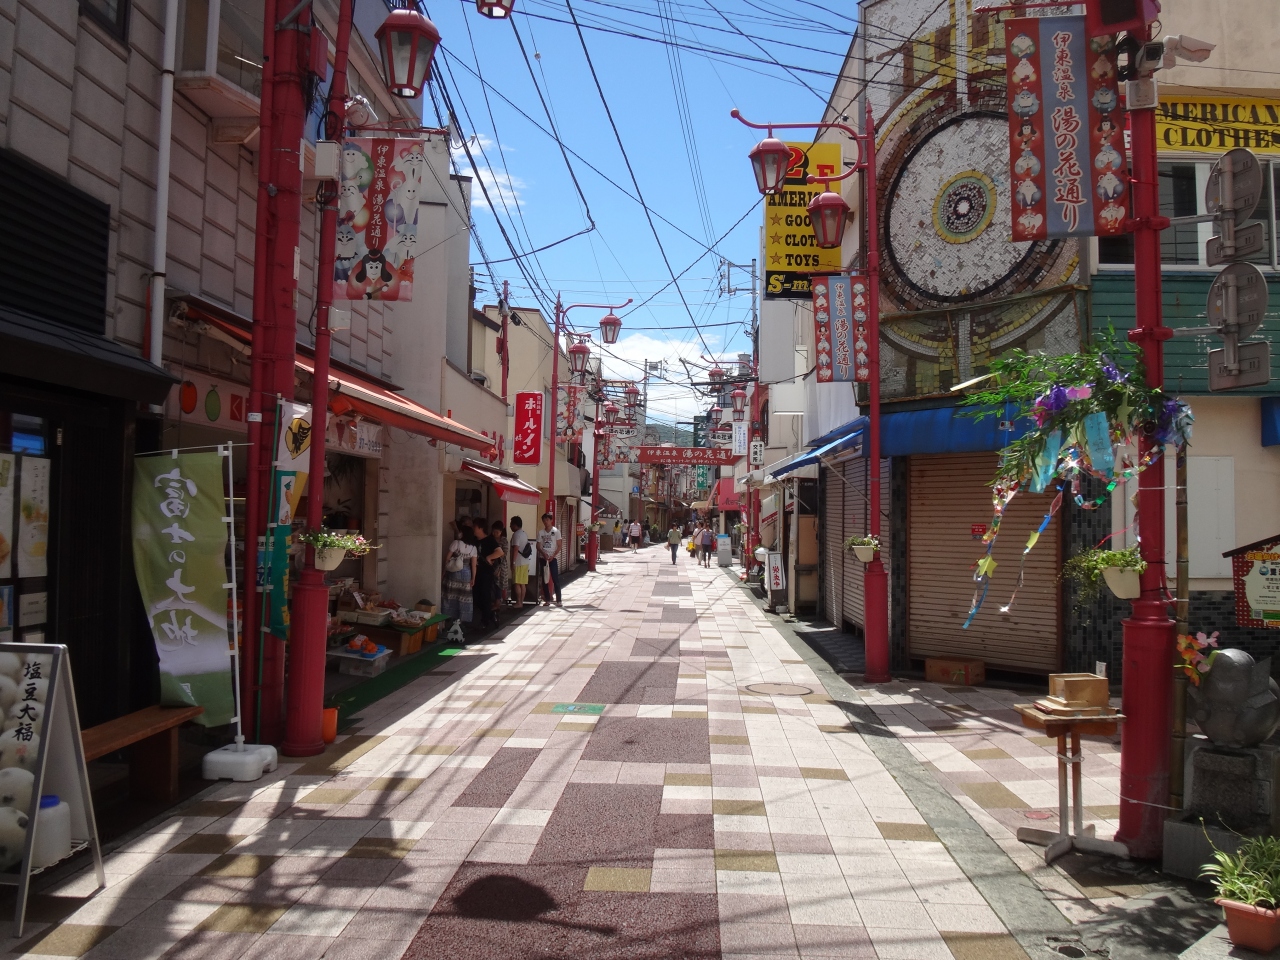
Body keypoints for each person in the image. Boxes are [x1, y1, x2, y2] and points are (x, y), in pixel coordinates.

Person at [441, 521, 478, 626]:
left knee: (450, 595)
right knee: (463, 597)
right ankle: (461, 619)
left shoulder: (456, 543)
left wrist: (444, 571)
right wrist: (473, 578)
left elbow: (447, 558)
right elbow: (473, 565)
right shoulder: (473, 548)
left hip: (453, 572)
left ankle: (448, 616)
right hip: (466, 573)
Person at [473, 518, 502, 629]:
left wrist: (489, 557)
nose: (473, 529)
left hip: (486, 573)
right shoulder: (474, 540)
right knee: (476, 597)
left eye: (475, 527)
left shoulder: (490, 540)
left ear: (480, 528)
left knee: (485, 597)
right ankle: (491, 615)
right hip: (476, 573)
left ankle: (485, 621)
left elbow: (500, 552)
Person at [537, 512, 564, 606]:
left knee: (555, 578)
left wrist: (553, 555)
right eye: (544, 520)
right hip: (543, 558)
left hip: (553, 559)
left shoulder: (556, 531)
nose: (546, 522)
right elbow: (538, 545)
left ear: (551, 520)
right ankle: (547, 599)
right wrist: (543, 553)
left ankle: (559, 600)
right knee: (544, 579)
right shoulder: (541, 532)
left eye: (547, 520)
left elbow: (560, 545)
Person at [509, 516, 534, 610]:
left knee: (517, 583)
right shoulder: (524, 533)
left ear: (515, 525)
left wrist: (513, 562)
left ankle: (519, 602)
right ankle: (521, 602)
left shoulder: (516, 535)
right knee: (523, 583)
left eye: (511, 524)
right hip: (525, 562)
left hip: (518, 562)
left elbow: (515, 549)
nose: (510, 526)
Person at [492, 519, 510, 614]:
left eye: (497, 532)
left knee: (498, 584)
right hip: (491, 564)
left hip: (501, 565)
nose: (495, 534)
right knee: (493, 584)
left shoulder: (504, 540)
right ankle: (495, 601)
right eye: (494, 532)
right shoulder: (490, 539)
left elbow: (504, 554)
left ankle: (498, 602)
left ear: (501, 532)